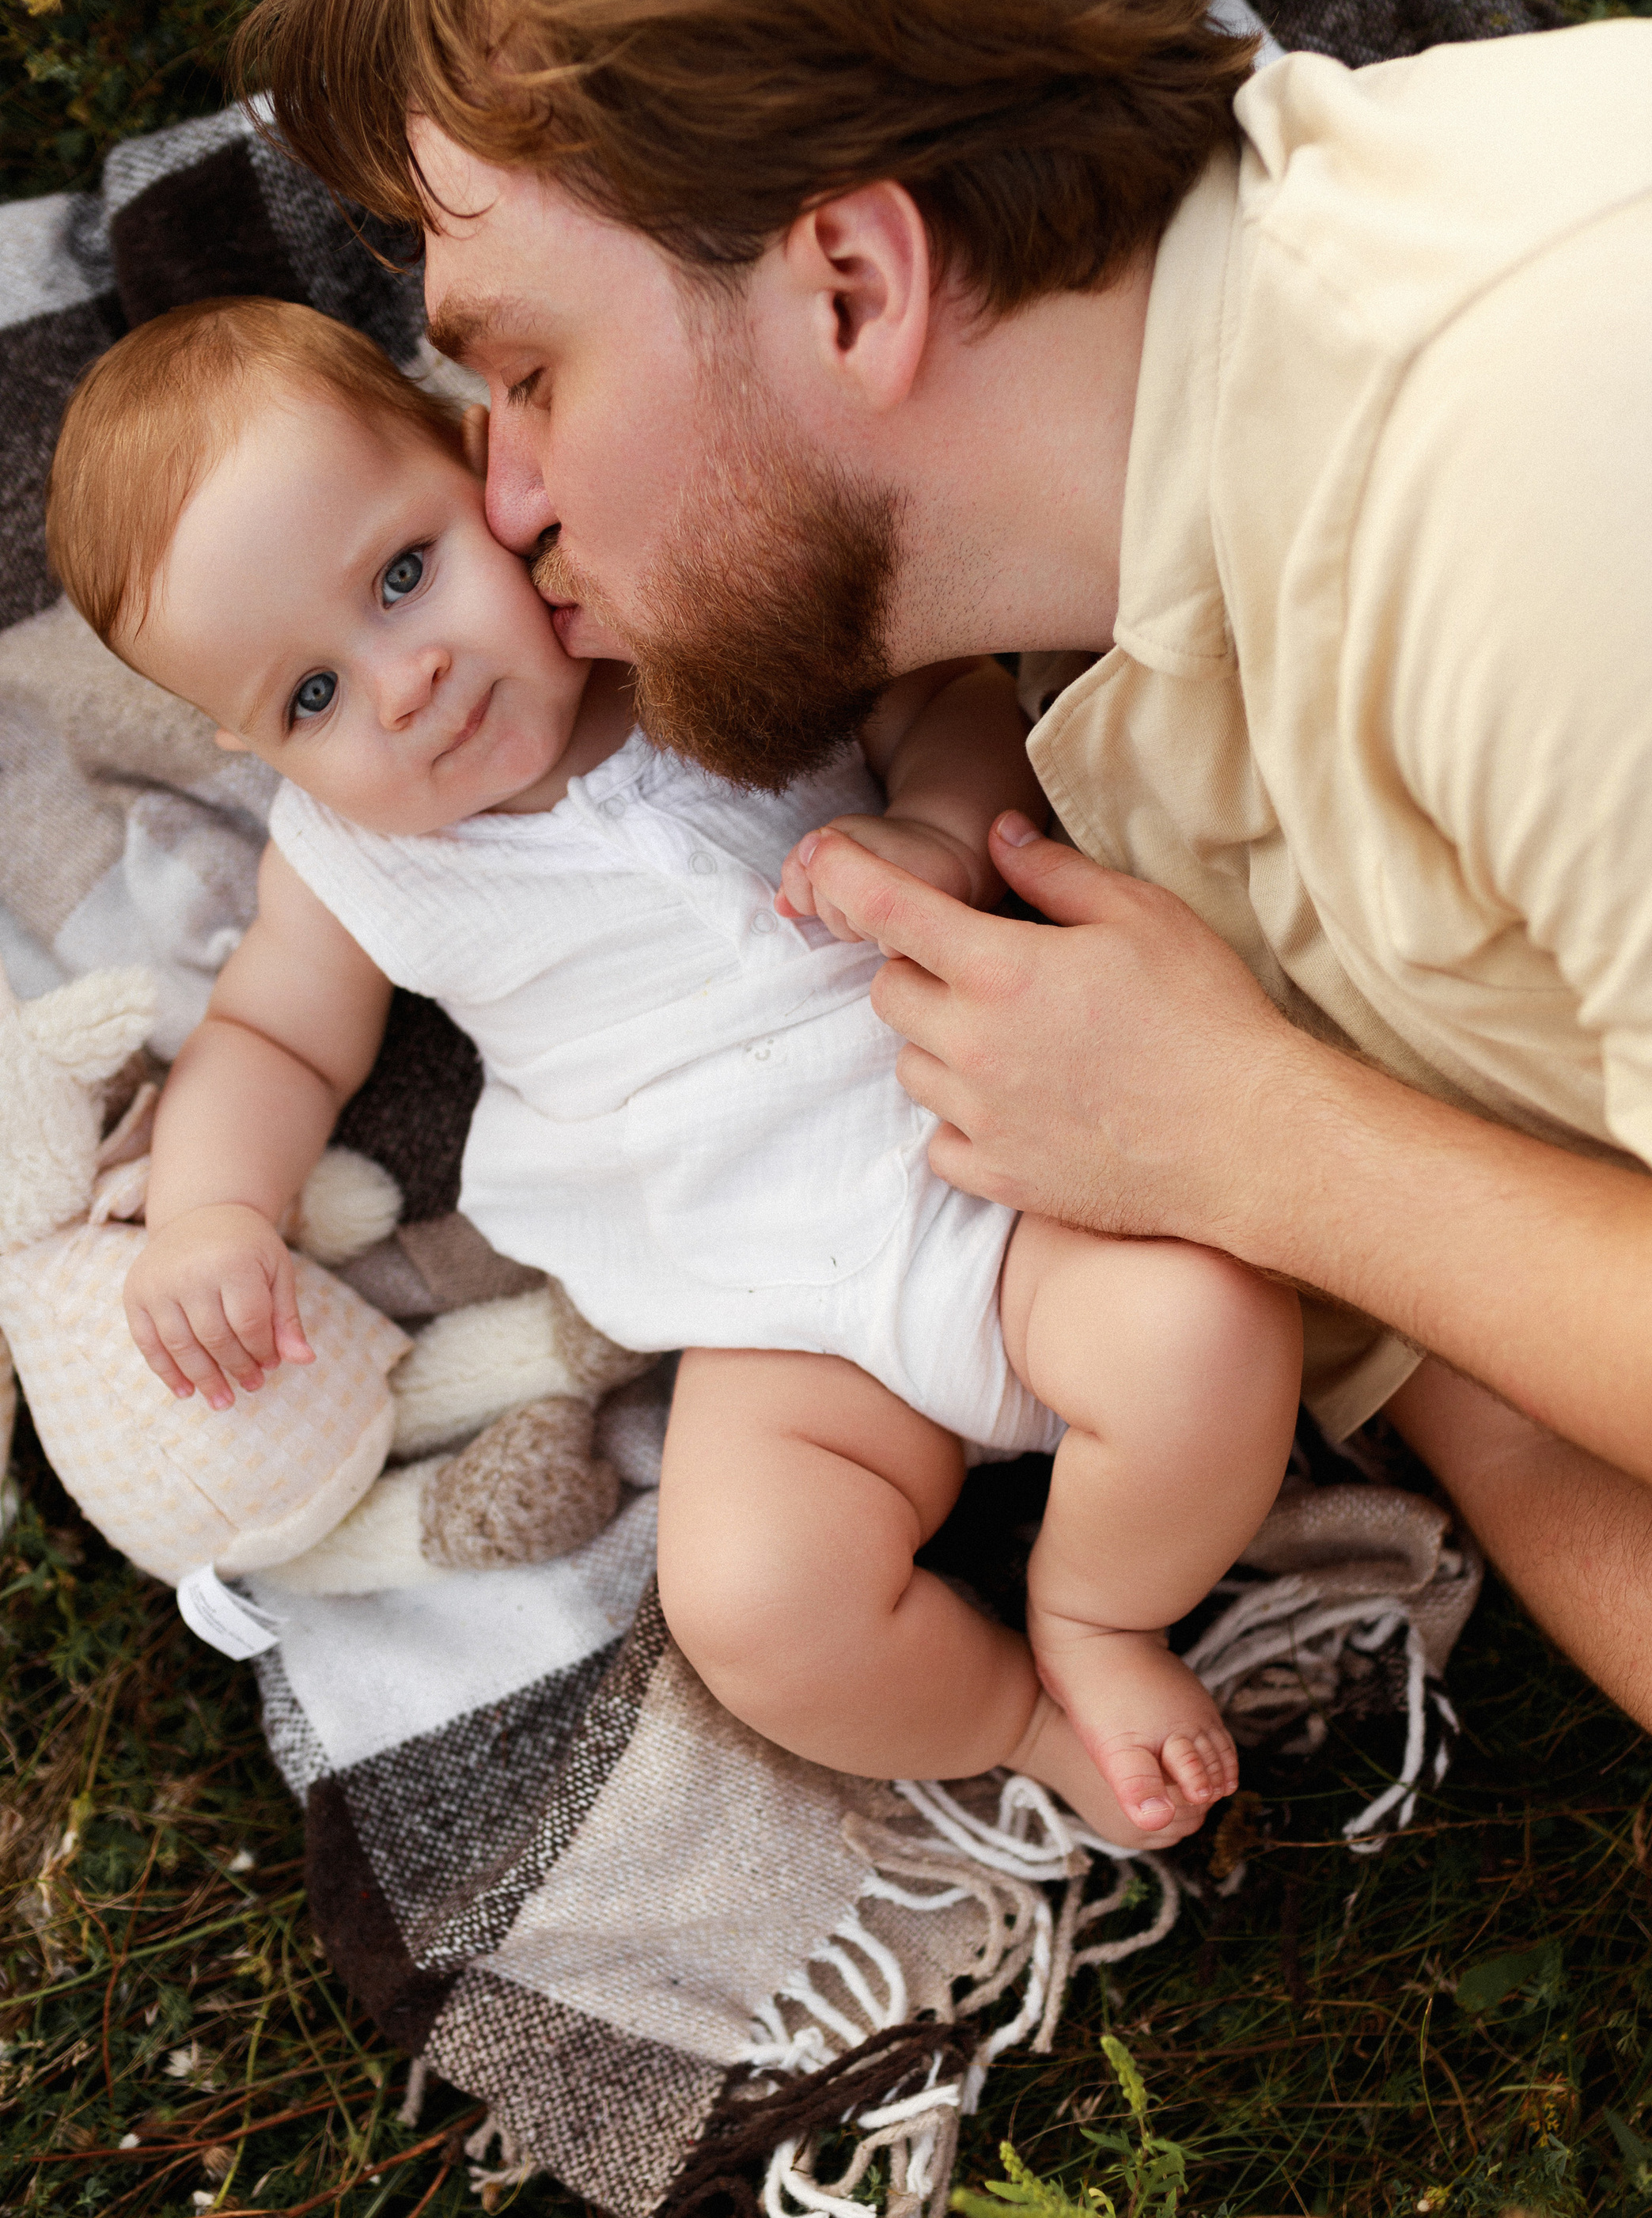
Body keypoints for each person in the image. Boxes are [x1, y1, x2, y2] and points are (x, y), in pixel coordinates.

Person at [237, 0, 1652, 1933]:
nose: (505, 500)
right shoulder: (1144, 660)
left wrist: (1269, 1142)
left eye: (533, 372)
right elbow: (1517, 1394)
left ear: (851, 286)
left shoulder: (1562, 486)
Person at [44, 294, 1309, 1849]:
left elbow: (943, 692)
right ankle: (1025, 1724)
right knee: (752, 1606)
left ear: (483, 468)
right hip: (773, 1318)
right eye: (310, 696)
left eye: (402, 574)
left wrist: (930, 830)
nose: (403, 683)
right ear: (251, 750)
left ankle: (1098, 1616)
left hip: (1012, 1176)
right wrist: (210, 1214)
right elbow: (269, 1040)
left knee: (1205, 1334)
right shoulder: (345, 861)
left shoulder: (679, 618)